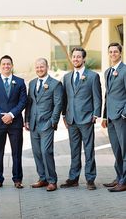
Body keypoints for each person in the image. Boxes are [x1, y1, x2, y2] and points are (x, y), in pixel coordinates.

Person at [60, 47, 102, 190]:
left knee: (89, 149)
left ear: (84, 59)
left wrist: (95, 114)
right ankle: (73, 178)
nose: (76, 59)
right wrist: (64, 115)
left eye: (79, 57)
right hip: (71, 120)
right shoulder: (66, 77)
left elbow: (97, 96)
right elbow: (64, 98)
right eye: (74, 57)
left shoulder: (92, 76)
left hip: (86, 119)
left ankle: (90, 179)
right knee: (74, 150)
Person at [0, 55, 27, 189]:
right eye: (3, 64)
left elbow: (23, 102)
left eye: (8, 64)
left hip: (15, 123)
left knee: (17, 152)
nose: (6, 66)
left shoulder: (20, 82)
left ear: (12, 65)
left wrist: (11, 114)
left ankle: (17, 179)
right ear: (0, 66)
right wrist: (2, 115)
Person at [25, 58, 63, 191]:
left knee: (46, 151)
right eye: (37, 67)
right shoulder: (32, 83)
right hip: (33, 124)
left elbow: (58, 104)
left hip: (47, 123)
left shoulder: (55, 84)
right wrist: (27, 120)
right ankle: (42, 178)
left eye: (42, 66)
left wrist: (53, 121)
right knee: (37, 152)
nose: (39, 69)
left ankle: (52, 180)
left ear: (47, 67)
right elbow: (29, 103)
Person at [101, 42, 126, 192]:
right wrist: (104, 117)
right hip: (110, 117)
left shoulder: (124, 70)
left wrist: (124, 113)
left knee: (124, 150)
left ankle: (124, 181)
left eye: (115, 52)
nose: (112, 54)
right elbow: (107, 95)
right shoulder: (108, 72)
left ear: (120, 53)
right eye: (110, 52)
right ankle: (119, 177)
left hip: (121, 117)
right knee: (116, 150)